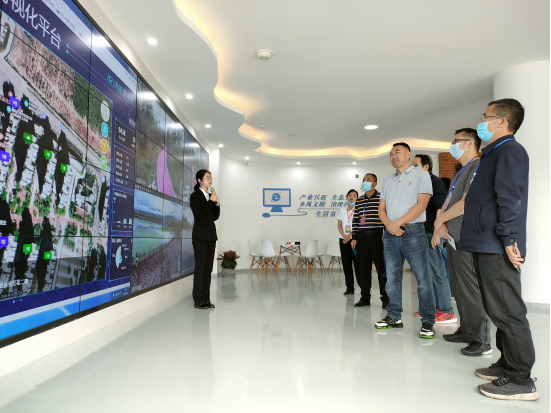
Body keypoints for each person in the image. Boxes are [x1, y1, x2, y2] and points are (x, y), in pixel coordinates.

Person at [460, 99, 538, 401]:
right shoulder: (493, 153)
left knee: (507, 311)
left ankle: (521, 380)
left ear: (502, 121)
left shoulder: (509, 151)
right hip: (487, 241)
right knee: (497, 309)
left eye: (486, 117)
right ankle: (507, 364)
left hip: (496, 244)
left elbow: (510, 198)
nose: (482, 121)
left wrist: (508, 239)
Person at [434, 128, 492, 357]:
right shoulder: (460, 172)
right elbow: (449, 202)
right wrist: (441, 222)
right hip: (454, 237)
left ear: (469, 143)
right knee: (459, 288)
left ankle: (482, 340)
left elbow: (466, 203)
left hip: (468, 237)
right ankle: (467, 330)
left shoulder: (477, 166)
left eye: (456, 141)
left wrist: (440, 220)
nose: (452, 145)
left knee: (471, 289)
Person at [374, 143, 436, 339]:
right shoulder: (388, 181)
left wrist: (397, 223)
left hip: (414, 233)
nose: (393, 155)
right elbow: (381, 208)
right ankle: (394, 316)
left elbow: (421, 206)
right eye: (391, 153)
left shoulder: (421, 175)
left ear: (408, 154)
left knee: (423, 279)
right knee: (392, 280)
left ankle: (428, 321)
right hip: (390, 234)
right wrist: (389, 225)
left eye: (397, 152)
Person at [412, 155, 457, 324]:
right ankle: (430, 308)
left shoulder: (434, 181)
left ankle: (446, 311)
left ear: (426, 167)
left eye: (415, 165)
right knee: (425, 275)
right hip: (419, 233)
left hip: (431, 234)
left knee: (438, 273)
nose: (412, 168)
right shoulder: (418, 184)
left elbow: (441, 207)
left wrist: (437, 232)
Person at [350, 173, 389, 308]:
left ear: (374, 183)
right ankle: (365, 298)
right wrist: (354, 237)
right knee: (364, 270)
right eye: (363, 180)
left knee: (381, 270)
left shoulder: (382, 198)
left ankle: (385, 299)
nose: (364, 182)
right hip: (362, 238)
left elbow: (387, 217)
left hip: (377, 237)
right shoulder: (359, 200)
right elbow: (355, 220)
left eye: (368, 180)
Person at [190, 170, 220, 310]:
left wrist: (217, 204)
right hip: (200, 237)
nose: (210, 179)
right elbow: (199, 215)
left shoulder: (210, 196)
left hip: (211, 236)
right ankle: (198, 299)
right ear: (199, 180)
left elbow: (214, 217)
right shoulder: (195, 196)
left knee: (208, 269)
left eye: (210, 177)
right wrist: (210, 202)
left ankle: (206, 298)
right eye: (207, 177)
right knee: (200, 268)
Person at [337, 189, 362, 296]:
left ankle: (363, 288)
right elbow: (339, 225)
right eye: (350, 195)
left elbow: (361, 224)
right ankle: (349, 288)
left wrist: (350, 236)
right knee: (346, 265)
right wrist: (344, 236)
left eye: (354, 195)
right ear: (346, 197)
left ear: (357, 198)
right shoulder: (342, 209)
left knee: (358, 265)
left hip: (355, 240)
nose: (352, 197)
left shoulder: (359, 209)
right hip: (343, 240)